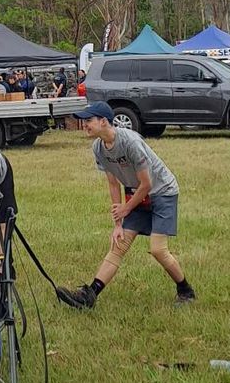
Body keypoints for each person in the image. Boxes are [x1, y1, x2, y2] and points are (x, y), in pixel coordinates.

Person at [56, 103, 195, 308]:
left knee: (158, 250)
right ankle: (89, 296)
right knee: (119, 244)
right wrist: (118, 224)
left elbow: (147, 184)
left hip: (162, 192)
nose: (84, 124)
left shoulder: (130, 142)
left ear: (104, 121)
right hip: (137, 193)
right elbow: (113, 184)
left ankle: (186, 290)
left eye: (88, 120)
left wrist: (127, 208)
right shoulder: (98, 148)